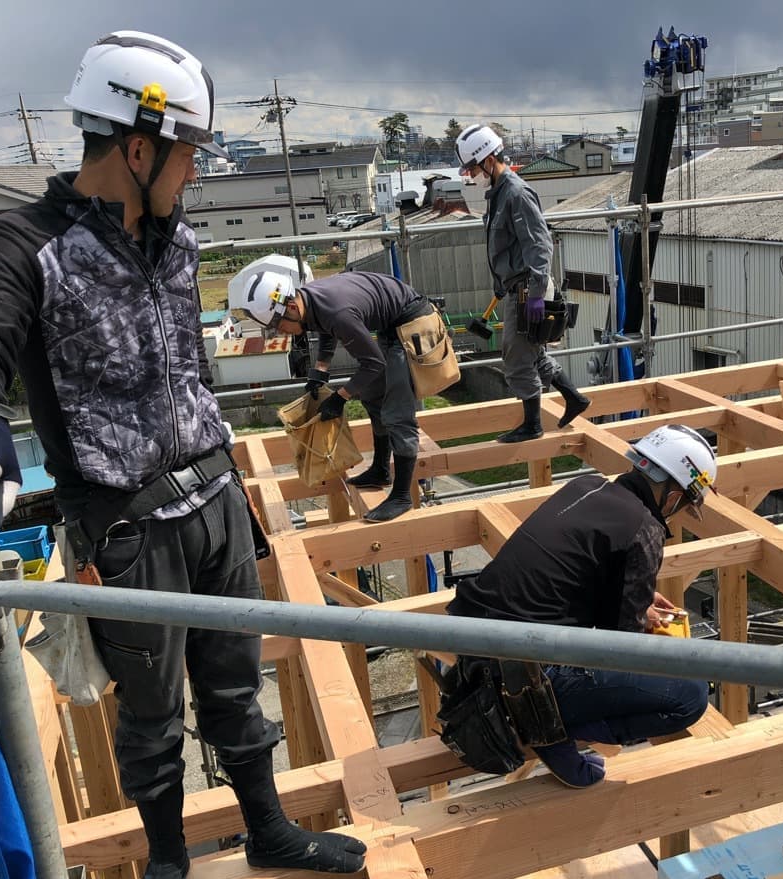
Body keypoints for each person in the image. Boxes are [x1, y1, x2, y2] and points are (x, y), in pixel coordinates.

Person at [0, 31, 364, 879]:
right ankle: (165, 859)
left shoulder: (175, 239)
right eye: (186, 154)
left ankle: (267, 826)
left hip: (216, 501)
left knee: (236, 686)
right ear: (135, 148)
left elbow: (187, 370)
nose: (193, 173)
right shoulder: (25, 245)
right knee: (152, 711)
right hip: (127, 528)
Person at [446, 424, 716, 787]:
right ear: (673, 496)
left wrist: (637, 598)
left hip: (471, 640)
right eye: (682, 506)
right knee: (691, 695)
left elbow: (566, 569)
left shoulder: (586, 487)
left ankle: (545, 718)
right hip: (526, 676)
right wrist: (641, 619)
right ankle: (549, 729)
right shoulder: (645, 529)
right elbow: (621, 645)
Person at [241, 268, 431, 523]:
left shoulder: (336, 312)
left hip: (412, 320)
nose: (280, 332)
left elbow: (374, 363)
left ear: (291, 308)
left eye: (277, 325)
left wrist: (340, 397)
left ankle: (401, 496)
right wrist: (320, 370)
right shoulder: (309, 299)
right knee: (373, 393)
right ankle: (381, 470)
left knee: (397, 411)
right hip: (391, 322)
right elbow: (326, 328)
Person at [455, 123, 590, 443]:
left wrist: (537, 295)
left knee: (516, 357)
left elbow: (539, 245)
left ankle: (532, 425)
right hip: (517, 286)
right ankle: (574, 398)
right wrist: (501, 283)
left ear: (489, 160)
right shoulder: (498, 194)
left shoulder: (515, 193)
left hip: (529, 288)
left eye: (472, 169)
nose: (471, 176)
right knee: (532, 352)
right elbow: (510, 245)